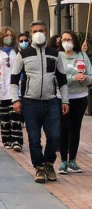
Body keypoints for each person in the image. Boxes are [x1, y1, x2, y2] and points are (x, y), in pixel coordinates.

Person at [11, 20, 69, 184]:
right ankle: (39, 168)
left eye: (41, 30)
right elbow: (14, 79)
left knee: (55, 136)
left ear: (47, 32)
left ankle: (49, 163)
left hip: (51, 102)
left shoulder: (54, 54)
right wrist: (15, 99)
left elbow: (62, 79)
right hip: (30, 102)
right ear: (30, 33)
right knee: (34, 138)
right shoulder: (23, 54)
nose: (39, 33)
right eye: (35, 30)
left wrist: (65, 100)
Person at [57, 30, 92, 174]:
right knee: (64, 128)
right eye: (64, 40)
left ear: (75, 41)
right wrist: (72, 78)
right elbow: (56, 77)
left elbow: (90, 75)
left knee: (75, 129)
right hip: (62, 97)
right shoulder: (58, 57)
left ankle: (73, 160)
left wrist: (85, 79)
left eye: (69, 39)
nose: (67, 42)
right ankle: (63, 161)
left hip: (80, 97)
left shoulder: (82, 56)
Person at [0, 27, 23, 151]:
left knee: (16, 116)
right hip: (1, 89)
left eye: (11, 35)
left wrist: (21, 77)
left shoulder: (17, 52)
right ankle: (7, 140)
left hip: (14, 88)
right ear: (1, 37)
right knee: (4, 117)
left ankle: (17, 141)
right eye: (6, 35)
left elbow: (22, 68)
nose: (9, 38)